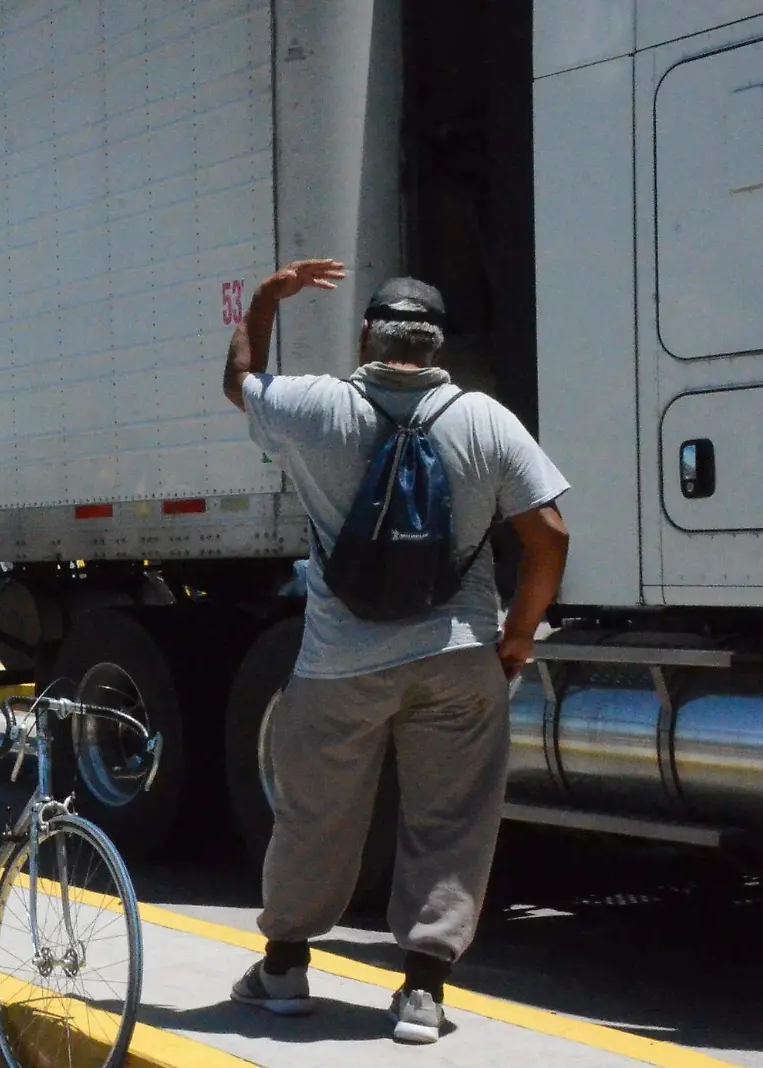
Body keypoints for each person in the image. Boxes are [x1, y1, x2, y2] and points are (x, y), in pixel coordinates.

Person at [221, 262, 570, 1044]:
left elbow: (238, 380)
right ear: (437, 345)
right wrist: (517, 634)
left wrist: (266, 301)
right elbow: (549, 533)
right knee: (449, 820)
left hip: (338, 663)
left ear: (366, 336)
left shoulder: (314, 406)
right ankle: (420, 992)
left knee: (315, 815)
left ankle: (282, 970)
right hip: (458, 657)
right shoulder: (485, 419)